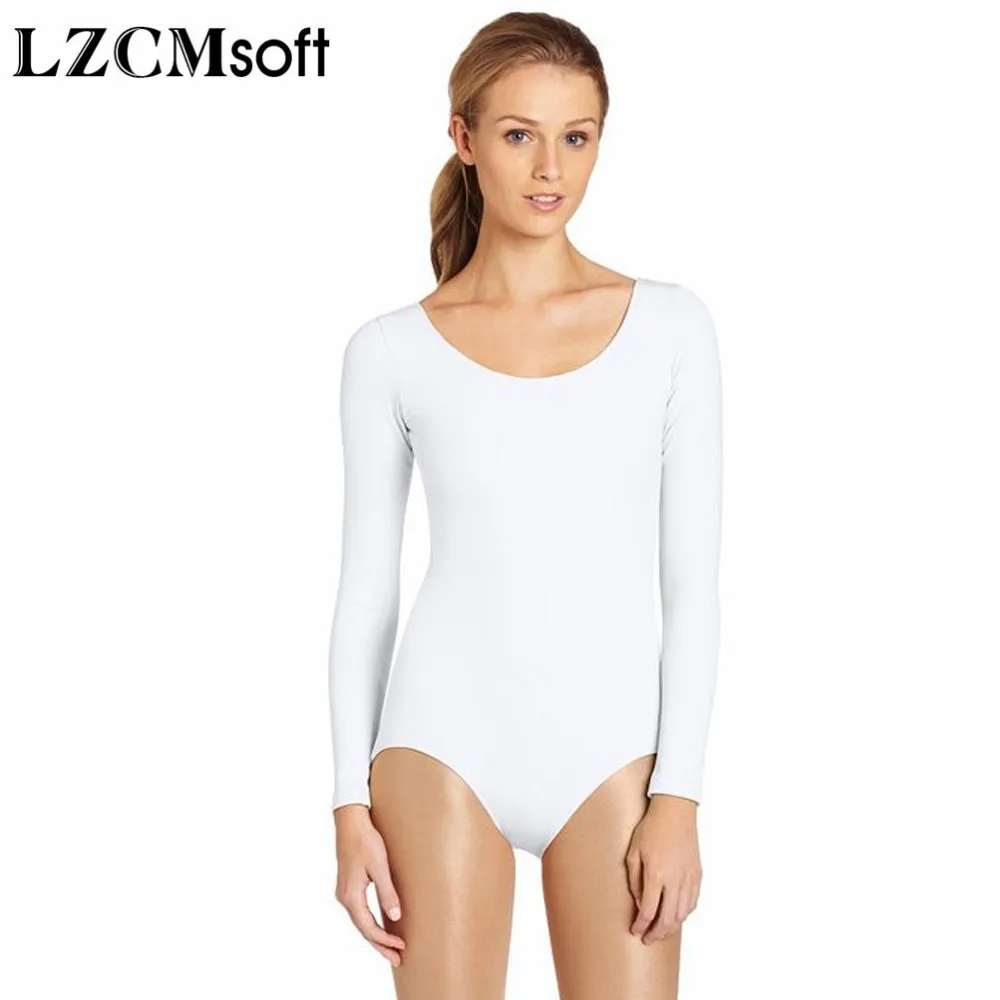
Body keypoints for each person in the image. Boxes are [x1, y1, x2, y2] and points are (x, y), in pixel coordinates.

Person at [328, 11, 723, 998]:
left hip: (614, 752)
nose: (550, 168)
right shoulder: (390, 350)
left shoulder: (671, 329)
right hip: (439, 742)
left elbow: (693, 584)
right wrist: (346, 805)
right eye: (518, 134)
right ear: (463, 139)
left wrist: (679, 794)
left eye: (575, 136)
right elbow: (367, 592)